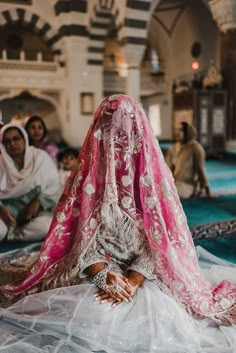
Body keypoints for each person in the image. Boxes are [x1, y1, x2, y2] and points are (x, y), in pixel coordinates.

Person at [0, 95, 235, 353]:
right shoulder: (91, 177)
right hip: (95, 269)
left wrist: (132, 280)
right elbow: (80, 241)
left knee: (154, 317)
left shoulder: (151, 180)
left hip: (147, 274)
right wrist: (102, 274)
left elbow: (159, 244)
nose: (116, 139)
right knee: (94, 314)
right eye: (109, 128)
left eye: (123, 132)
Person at [0, 123, 60, 242]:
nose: (12, 144)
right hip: (7, 214)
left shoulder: (40, 157)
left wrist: (38, 201)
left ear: (24, 139)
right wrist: (1, 208)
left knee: (45, 227)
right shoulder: (1, 163)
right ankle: (7, 232)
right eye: (7, 141)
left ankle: (14, 235)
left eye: (16, 139)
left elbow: (54, 186)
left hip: (33, 214)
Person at [166, 121, 211, 199]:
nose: (179, 132)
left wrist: (206, 188)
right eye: (178, 130)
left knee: (168, 196)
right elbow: (168, 169)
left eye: (182, 130)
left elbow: (200, 169)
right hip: (173, 182)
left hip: (187, 185)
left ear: (188, 132)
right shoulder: (172, 148)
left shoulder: (195, 148)